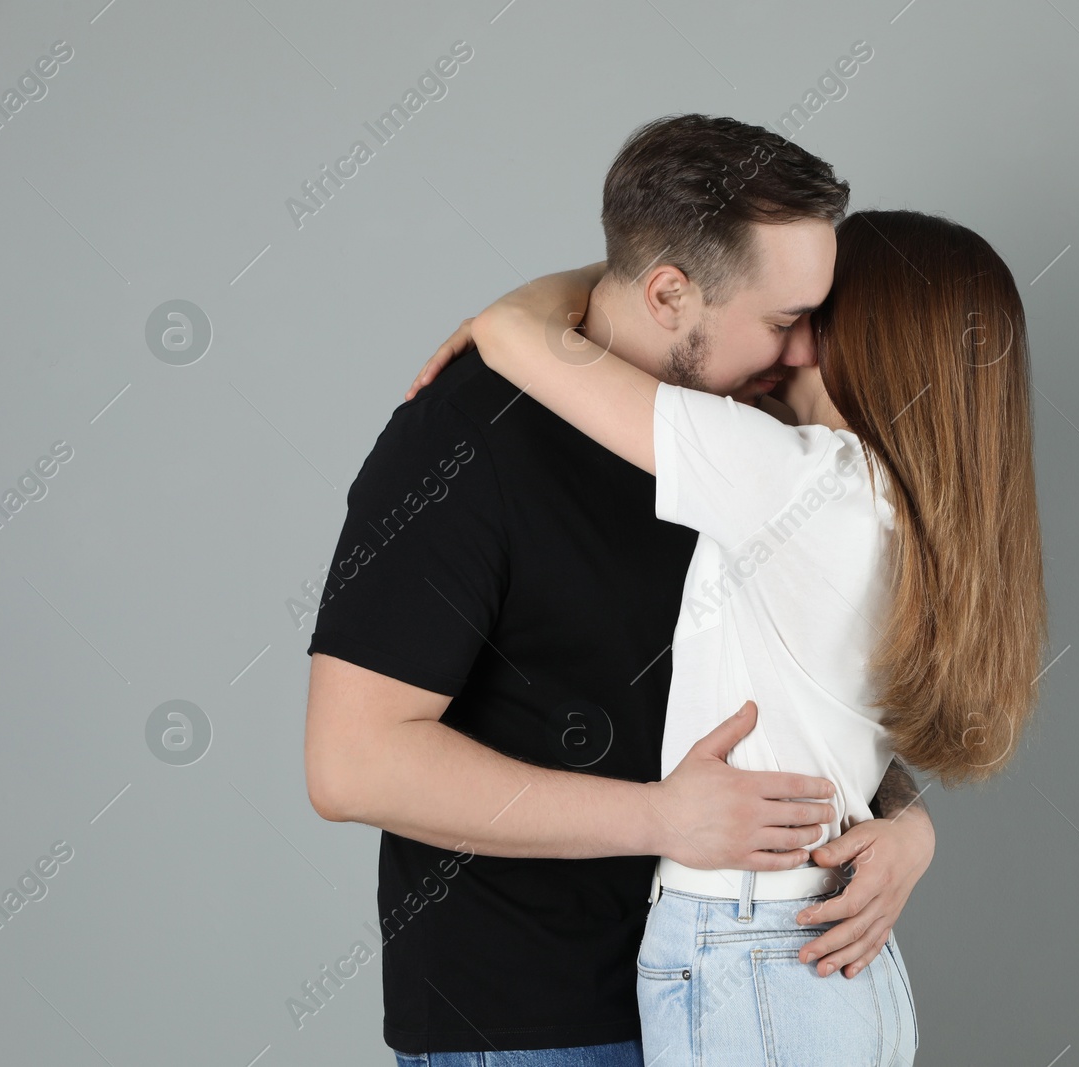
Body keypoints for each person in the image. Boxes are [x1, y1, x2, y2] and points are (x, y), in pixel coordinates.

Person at [302, 114, 938, 1066]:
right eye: (781, 321)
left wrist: (905, 825)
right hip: (534, 1023)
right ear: (670, 292)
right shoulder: (463, 442)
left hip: (732, 1002)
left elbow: (783, 690)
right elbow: (351, 764)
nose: (808, 352)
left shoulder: (759, 448)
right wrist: (658, 817)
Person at [413, 208, 1048, 1064]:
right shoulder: (914, 515)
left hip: (753, 961)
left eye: (802, 317)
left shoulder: (790, 480)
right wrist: (914, 828)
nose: (782, 340)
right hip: (838, 974)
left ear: (855, 337)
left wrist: (564, 299)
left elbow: (517, 331)